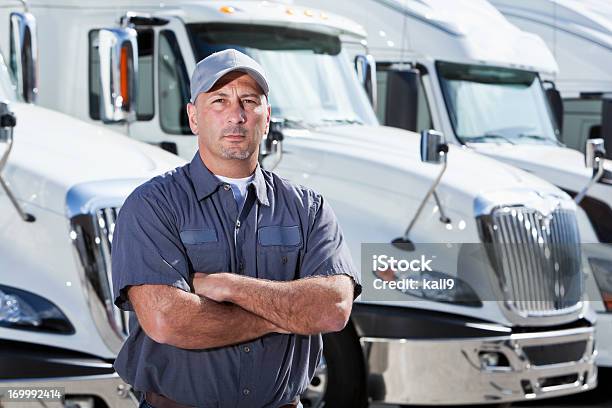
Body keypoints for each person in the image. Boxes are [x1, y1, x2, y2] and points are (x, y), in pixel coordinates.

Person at [111, 48, 361, 408]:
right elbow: (167, 320)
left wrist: (228, 286)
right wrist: (284, 317)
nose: (237, 115)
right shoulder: (152, 206)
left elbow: (332, 308)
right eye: (219, 101)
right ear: (194, 117)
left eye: (249, 100)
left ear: (267, 116)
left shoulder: (308, 208)